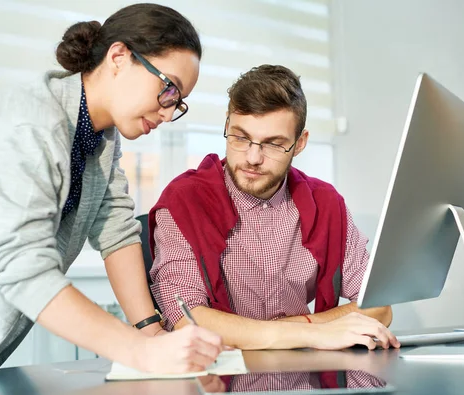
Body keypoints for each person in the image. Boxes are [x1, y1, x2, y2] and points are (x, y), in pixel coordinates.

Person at [0, 3, 222, 372]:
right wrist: (139, 351)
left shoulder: (99, 136)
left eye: (178, 103)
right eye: (168, 90)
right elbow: (24, 269)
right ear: (119, 57)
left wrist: (150, 333)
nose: (167, 112)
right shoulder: (32, 124)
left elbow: (115, 228)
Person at [149, 65, 400, 350]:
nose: (253, 158)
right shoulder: (184, 201)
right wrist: (314, 333)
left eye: (273, 144)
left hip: (308, 379)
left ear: (299, 143)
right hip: (222, 380)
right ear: (227, 126)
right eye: (240, 137)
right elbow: (186, 318)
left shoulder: (327, 204)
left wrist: (287, 330)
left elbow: (380, 307)